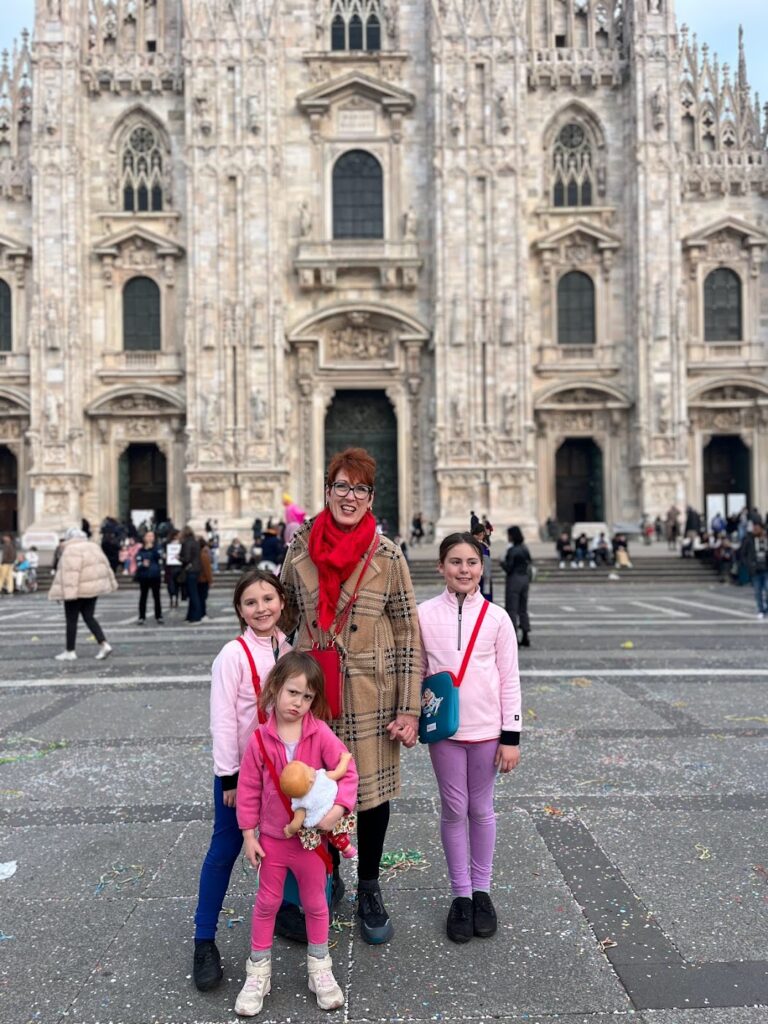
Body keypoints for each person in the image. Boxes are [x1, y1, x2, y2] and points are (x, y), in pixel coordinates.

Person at [280, 447, 420, 945]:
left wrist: (408, 706)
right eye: (341, 486)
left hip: (370, 692)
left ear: (370, 497)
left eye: (359, 488)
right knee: (318, 790)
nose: (349, 496)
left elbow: (407, 632)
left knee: (370, 797)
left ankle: (369, 886)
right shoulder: (299, 549)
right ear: (326, 491)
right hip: (317, 693)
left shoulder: (387, 555)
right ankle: (328, 872)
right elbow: (285, 616)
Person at [234, 652, 358, 1016]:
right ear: (274, 688)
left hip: (309, 842)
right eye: (293, 693)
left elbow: (346, 773)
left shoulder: (319, 732)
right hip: (272, 839)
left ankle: (320, 967)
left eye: (307, 697)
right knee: (267, 903)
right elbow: (248, 789)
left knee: (317, 903)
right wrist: (248, 834)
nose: (299, 703)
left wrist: (337, 811)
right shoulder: (259, 739)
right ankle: (258, 971)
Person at [192, 569, 292, 993]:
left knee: (287, 841)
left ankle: (288, 911)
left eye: (268, 599)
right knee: (225, 848)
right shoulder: (230, 655)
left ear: (282, 602)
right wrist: (229, 778)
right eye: (250, 602)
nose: (261, 608)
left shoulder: (289, 648)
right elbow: (222, 720)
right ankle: (203, 941)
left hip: (283, 771)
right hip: (242, 775)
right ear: (239, 610)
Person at [418, 533, 521, 943]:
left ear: (482, 567)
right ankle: (460, 894)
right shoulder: (424, 614)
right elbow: (418, 668)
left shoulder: (498, 618)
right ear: (441, 567)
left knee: (481, 808)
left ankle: (482, 891)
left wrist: (511, 735)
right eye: (455, 562)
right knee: (453, 808)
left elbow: (509, 678)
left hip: (487, 731)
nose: (464, 569)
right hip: (445, 729)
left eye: (472, 562)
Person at [48, 527, 116, 661]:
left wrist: (66, 594)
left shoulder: (70, 550)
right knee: (89, 617)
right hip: (92, 589)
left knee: (71, 620)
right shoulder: (94, 547)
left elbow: (70, 574)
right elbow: (105, 566)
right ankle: (104, 644)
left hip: (76, 590)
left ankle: (70, 651)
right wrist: (111, 583)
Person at [502, 525, 532, 647]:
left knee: (512, 609)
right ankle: (525, 634)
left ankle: (513, 636)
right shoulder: (525, 549)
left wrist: (501, 563)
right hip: (525, 579)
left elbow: (508, 568)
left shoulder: (512, 550)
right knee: (523, 609)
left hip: (514, 579)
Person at [135, 530, 164, 625]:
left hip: (155, 575)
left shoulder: (157, 548)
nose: (150, 538)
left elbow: (160, 557)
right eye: (148, 536)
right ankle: (141, 616)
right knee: (143, 597)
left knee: (157, 597)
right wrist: (143, 565)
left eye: (152, 536)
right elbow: (138, 562)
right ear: (144, 538)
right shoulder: (141, 550)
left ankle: (159, 616)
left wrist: (153, 549)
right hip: (144, 576)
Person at [741, 523, 768, 618]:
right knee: (758, 592)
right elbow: (743, 553)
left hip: (765, 568)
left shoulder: (765, 539)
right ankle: (761, 610)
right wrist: (749, 565)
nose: (755, 530)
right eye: (754, 528)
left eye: (757, 528)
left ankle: (765, 609)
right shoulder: (749, 540)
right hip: (755, 570)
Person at [180, 525, 203, 623]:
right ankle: (190, 616)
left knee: (193, 594)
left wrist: (178, 557)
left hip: (190, 570)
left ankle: (196, 617)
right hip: (197, 570)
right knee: (193, 593)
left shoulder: (186, 543)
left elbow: (187, 558)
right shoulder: (195, 542)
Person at [471, 523, 493, 601]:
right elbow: (486, 566)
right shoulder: (482, 546)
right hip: (481, 578)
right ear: (481, 533)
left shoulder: (468, 544)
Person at [164, 529, 183, 608]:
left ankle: (176, 599)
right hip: (170, 566)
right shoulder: (167, 544)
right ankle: (172, 598)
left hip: (178, 566)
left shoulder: (182, 543)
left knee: (177, 584)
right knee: (170, 584)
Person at [199, 536, 214, 620]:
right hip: (203, 579)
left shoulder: (199, 554)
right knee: (203, 598)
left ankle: (201, 613)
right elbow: (207, 569)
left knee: (201, 598)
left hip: (200, 579)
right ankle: (203, 614)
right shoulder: (204, 554)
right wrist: (210, 580)